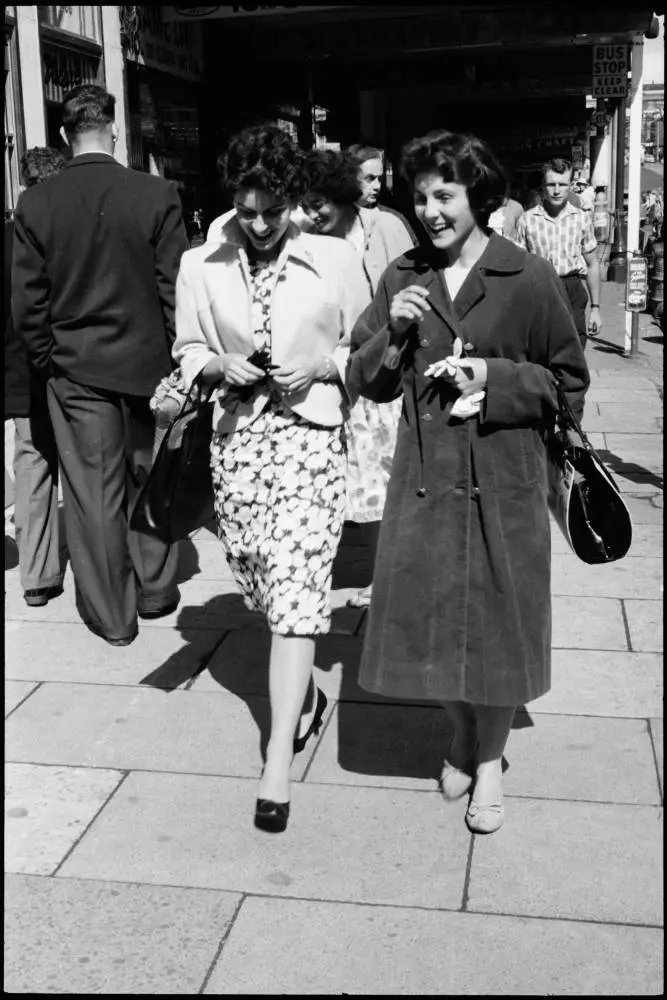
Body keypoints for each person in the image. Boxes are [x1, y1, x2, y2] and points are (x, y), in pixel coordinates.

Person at [346, 129, 589, 835]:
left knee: (495, 632)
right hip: (424, 481)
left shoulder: (527, 275)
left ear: (476, 196)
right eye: (419, 196)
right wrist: (389, 334)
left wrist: (496, 378)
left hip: (504, 480)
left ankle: (488, 763)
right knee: (423, 627)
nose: (429, 210)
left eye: (444, 195)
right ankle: (459, 732)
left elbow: (567, 382)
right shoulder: (403, 277)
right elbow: (368, 382)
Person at [172, 125, 370, 833]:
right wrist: (218, 365)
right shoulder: (201, 263)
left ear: (293, 198)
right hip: (237, 444)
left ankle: (277, 766)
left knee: (296, 597)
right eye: (246, 210)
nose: (257, 224)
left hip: (310, 437)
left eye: (271, 210)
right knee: (258, 577)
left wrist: (322, 366)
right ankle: (307, 702)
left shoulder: (336, 257)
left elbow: (368, 344)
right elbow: (187, 346)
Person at [12, 85, 189, 646]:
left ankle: (114, 615)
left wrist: (50, 359)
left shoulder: (37, 202)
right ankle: (158, 589)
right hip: (147, 366)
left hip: (76, 368)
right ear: (113, 129)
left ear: (66, 136)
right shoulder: (157, 194)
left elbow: (28, 303)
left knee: (93, 495)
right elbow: (173, 291)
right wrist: (179, 362)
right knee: (149, 480)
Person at [300, 148, 415, 608]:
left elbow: (408, 285)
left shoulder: (383, 227)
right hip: (322, 377)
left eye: (319, 203)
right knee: (329, 483)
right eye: (305, 204)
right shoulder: (304, 236)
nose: (311, 214)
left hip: (370, 375)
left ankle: (384, 577)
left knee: (377, 485)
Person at [5, 147, 66, 607]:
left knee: (33, 466)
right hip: (64, 367)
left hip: (21, 374)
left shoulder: (10, 235)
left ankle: (37, 577)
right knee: (88, 472)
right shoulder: (67, 233)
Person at [515, 158, 602, 349]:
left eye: (562, 184)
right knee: (541, 349)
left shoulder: (581, 219)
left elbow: (592, 264)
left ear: (570, 186)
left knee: (576, 348)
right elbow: (519, 266)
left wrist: (595, 308)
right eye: (551, 184)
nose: (556, 190)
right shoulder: (527, 220)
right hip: (539, 289)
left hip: (571, 288)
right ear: (543, 187)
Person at [347, 141, 417, 240]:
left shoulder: (394, 218)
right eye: (370, 178)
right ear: (351, 178)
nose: (377, 186)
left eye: (380, 179)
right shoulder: (336, 218)